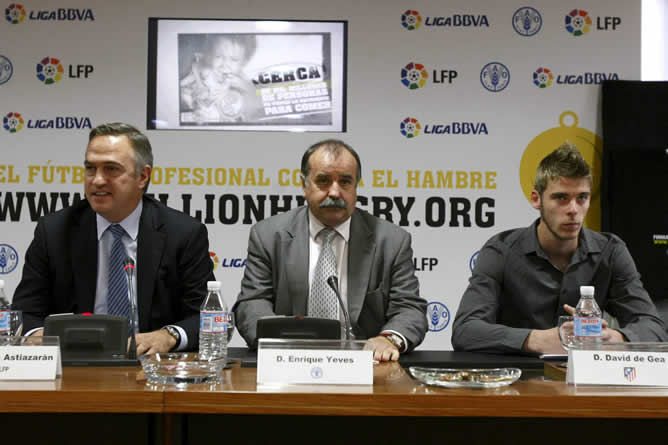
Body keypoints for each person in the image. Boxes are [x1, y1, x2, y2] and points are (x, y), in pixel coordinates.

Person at [12, 123, 214, 354]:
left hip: (150, 368)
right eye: (90, 168)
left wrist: (168, 336)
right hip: (75, 366)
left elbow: (205, 316)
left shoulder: (183, 233)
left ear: (142, 176)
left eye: (111, 169)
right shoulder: (55, 231)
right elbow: (24, 312)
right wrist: (36, 334)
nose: (97, 180)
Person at [452, 142, 668, 354]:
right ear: (536, 199)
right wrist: (535, 339)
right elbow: (465, 330)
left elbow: (653, 326)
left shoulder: (610, 251)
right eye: (561, 198)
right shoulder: (501, 249)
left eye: (582, 197)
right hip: (518, 380)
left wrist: (617, 338)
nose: (573, 209)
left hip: (587, 380)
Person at [233, 139, 427, 362]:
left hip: (365, 368)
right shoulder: (268, 235)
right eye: (323, 181)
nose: (335, 192)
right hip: (288, 363)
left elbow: (409, 308)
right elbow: (252, 303)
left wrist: (388, 339)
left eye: (345, 182)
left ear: (356, 187)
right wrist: (283, 343)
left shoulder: (391, 241)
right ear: (304, 186)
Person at [180, 34, 263, 123]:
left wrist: (244, 86)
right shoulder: (209, 70)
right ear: (212, 55)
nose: (224, 64)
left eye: (233, 59)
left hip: (222, 112)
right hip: (200, 104)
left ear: (243, 63)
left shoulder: (240, 78)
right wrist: (199, 83)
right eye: (218, 56)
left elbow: (253, 94)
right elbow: (195, 66)